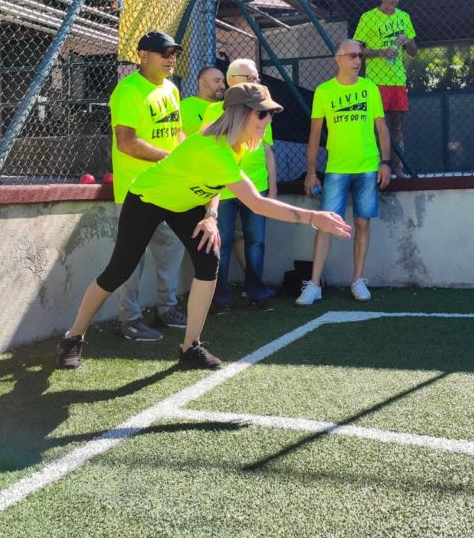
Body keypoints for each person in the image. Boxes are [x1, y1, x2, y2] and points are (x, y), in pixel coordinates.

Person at [56, 83, 351, 371]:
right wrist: (314, 218)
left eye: (271, 113)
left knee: (209, 260)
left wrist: (210, 215)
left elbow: (215, 184)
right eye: (262, 113)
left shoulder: (238, 145)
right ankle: (73, 337)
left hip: (187, 204)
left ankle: (190, 348)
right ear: (240, 113)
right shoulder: (213, 150)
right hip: (147, 199)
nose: (268, 119)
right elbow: (257, 204)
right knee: (119, 270)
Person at [108, 31, 187, 343]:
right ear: (143, 55)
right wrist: (170, 159)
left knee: (171, 250)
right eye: (164, 53)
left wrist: (185, 158)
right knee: (132, 259)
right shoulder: (128, 90)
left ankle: (167, 309)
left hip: (167, 188)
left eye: (174, 53)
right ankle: (129, 319)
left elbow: (176, 131)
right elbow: (126, 142)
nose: (171, 59)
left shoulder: (171, 89)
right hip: (135, 191)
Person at [299, 39, 392, 306]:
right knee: (325, 224)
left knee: (362, 223)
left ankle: (358, 280)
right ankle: (314, 285)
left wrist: (385, 162)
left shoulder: (370, 88)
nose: (357, 60)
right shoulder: (324, 91)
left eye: (360, 56)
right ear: (337, 59)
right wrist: (310, 173)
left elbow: (382, 128)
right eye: (352, 56)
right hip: (336, 169)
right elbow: (314, 134)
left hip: (367, 167)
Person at [200, 58, 278, 314]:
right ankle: (220, 299)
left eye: (257, 78)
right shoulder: (213, 112)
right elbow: (208, 152)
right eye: (252, 78)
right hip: (223, 190)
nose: (257, 82)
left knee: (256, 241)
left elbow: (267, 151)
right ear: (234, 81)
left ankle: (257, 292)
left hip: (257, 186)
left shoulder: (262, 109)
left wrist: (273, 189)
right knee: (220, 243)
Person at [353, 0, 417, 176]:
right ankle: (375, 169)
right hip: (376, 81)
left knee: (397, 127)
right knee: (374, 127)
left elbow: (413, 52)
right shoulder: (368, 17)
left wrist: (408, 41)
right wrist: (381, 52)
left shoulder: (404, 17)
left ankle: (398, 170)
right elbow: (357, 50)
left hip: (398, 80)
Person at [180, 66, 225, 135]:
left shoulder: (228, 107)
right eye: (217, 81)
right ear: (202, 82)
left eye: (223, 82)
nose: (222, 86)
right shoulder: (183, 107)